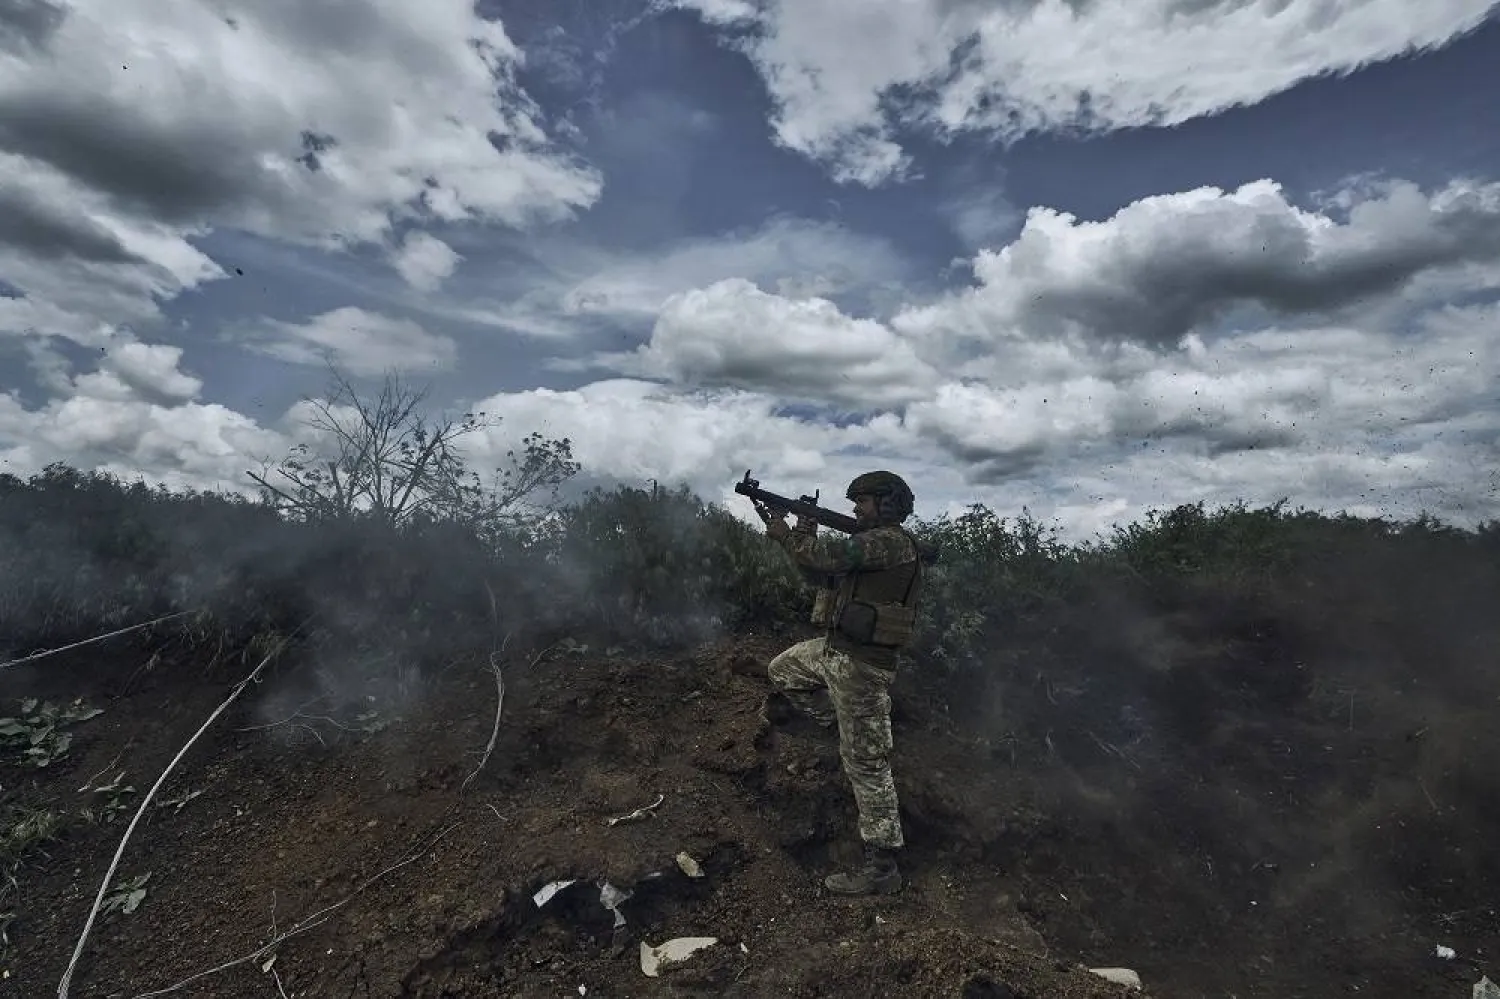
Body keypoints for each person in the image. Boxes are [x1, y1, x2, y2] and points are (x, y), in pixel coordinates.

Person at [751, 470, 923, 897]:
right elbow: (819, 575)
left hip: (862, 666)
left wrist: (788, 533)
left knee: (867, 766)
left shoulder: (888, 542)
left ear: (886, 503)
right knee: (783, 671)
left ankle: (882, 866)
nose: (854, 509)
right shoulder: (870, 547)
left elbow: (824, 558)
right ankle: (841, 722)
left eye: (862, 502)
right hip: (835, 652)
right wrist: (800, 531)